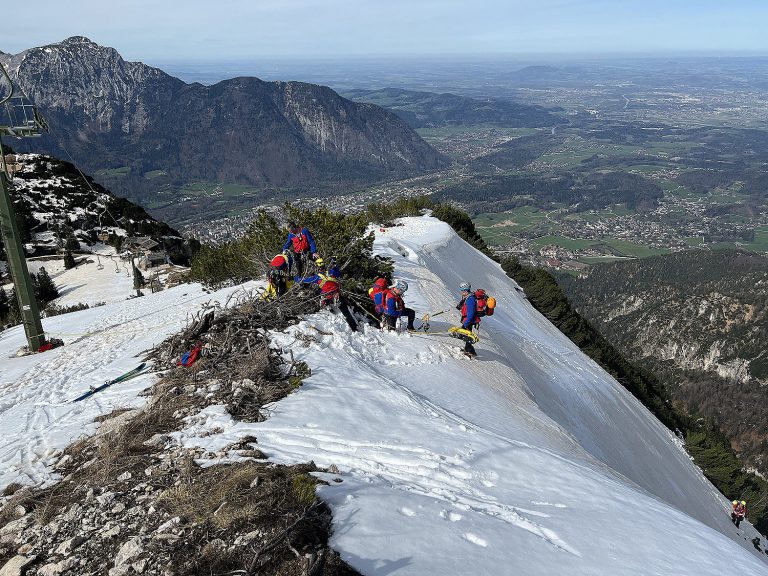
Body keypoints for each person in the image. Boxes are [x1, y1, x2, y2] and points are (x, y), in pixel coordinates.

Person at [295, 257, 357, 332]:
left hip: (327, 297)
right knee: (346, 313)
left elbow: (302, 280)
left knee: (325, 311)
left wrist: (295, 277)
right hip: (335, 295)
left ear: (317, 267)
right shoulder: (331, 273)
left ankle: (329, 327)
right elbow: (337, 272)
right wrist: (334, 264)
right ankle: (354, 328)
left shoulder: (317, 277)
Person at [456, 281, 479, 357]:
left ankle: (471, 351)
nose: (461, 292)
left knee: (468, 335)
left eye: (462, 291)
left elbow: (471, 313)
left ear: (466, 290)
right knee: (467, 334)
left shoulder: (470, 299)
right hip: (467, 319)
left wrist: (466, 323)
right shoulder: (468, 297)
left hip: (469, 320)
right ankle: (468, 349)